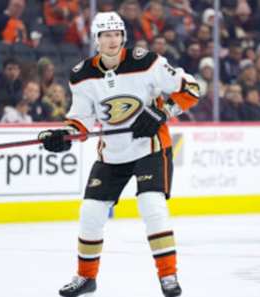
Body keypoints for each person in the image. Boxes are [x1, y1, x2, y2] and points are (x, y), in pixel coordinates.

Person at [37, 12, 199, 297]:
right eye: (105, 35)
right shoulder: (81, 74)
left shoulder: (147, 62)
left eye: (116, 34)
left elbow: (192, 89)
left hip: (150, 148)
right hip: (112, 154)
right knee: (90, 213)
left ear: (123, 36)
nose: (112, 40)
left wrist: (162, 112)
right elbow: (81, 120)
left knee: (151, 205)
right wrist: (64, 135)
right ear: (96, 39)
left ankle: (168, 276)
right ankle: (86, 278)